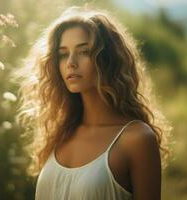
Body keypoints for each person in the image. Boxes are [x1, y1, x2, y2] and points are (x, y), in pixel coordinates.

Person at [15, 6, 172, 200]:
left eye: (84, 52)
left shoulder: (136, 139)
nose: (71, 62)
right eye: (63, 54)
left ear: (107, 59)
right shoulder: (60, 132)